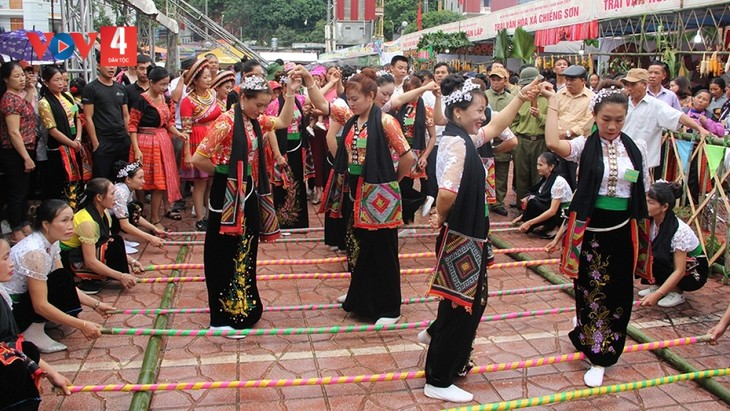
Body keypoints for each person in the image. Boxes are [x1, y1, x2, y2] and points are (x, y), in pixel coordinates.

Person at [422, 75, 539, 402]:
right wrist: (441, 214)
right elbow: (447, 190)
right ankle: (438, 379)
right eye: (477, 110)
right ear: (458, 112)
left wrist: (519, 96)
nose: (483, 116)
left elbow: (498, 122)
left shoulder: (462, 136)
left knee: (465, 304)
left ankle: (446, 355)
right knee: (462, 308)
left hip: (467, 236)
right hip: (461, 237)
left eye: (484, 110)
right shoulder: (458, 143)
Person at [542, 82, 652, 388]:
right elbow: (552, 142)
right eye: (606, 119)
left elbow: (641, 189)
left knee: (619, 293)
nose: (613, 126)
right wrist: (552, 102)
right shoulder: (582, 146)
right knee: (590, 291)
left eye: (619, 119)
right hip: (591, 231)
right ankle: (596, 352)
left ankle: (605, 350)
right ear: (595, 115)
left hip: (622, 231)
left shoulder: (636, 147)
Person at [299, 66, 416, 325]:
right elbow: (320, 102)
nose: (351, 103)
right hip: (355, 192)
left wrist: (393, 181)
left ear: (371, 96)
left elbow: (407, 156)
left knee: (383, 251)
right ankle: (360, 295)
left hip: (379, 196)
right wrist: (309, 81)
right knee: (358, 248)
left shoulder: (386, 121)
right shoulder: (351, 118)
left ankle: (388, 308)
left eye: (356, 99)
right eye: (349, 99)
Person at [191, 75, 297, 336]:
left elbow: (283, 121)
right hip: (227, 194)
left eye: (265, 106)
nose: (262, 111)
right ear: (244, 99)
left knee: (245, 249)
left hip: (247, 189)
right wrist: (225, 172)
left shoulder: (253, 121)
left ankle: (244, 306)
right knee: (223, 252)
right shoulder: (226, 122)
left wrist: (291, 93)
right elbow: (198, 158)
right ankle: (223, 314)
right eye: (259, 105)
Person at [5, 199, 113, 353]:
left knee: (62, 277)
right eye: (64, 221)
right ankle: (32, 331)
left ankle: (42, 322)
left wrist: (97, 305)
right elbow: (40, 305)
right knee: (59, 279)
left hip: (25, 300)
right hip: (11, 312)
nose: (71, 226)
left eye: (71, 219)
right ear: (46, 224)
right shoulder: (35, 253)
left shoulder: (52, 242)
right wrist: (82, 325)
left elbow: (63, 283)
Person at [0, 238, 73, 409]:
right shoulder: (34, 252)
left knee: (24, 352)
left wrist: (52, 373)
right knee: (14, 366)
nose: (11, 264)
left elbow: (11, 342)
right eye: (5, 258)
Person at [129, 66, 186, 231]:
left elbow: (169, 123)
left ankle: (155, 218)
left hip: (163, 142)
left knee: (159, 183)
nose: (164, 88)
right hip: (145, 143)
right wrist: (136, 149)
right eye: (162, 84)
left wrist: (179, 134)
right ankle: (140, 213)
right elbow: (132, 126)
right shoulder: (141, 100)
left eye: (167, 84)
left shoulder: (166, 99)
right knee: (141, 181)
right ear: (151, 82)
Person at [60, 178, 141, 294]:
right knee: (112, 245)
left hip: (81, 253)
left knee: (115, 241)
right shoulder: (87, 222)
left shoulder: (105, 213)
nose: (116, 197)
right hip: (68, 258)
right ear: (99, 197)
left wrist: (133, 262)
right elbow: (90, 261)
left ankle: (99, 276)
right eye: (112, 194)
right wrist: (120, 276)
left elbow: (106, 239)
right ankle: (85, 279)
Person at [639, 181, 707, 308]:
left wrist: (658, 295)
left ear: (664, 207)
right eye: (646, 200)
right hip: (670, 262)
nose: (645, 205)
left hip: (693, 269)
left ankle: (676, 292)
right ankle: (659, 284)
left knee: (663, 255)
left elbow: (680, 270)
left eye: (650, 202)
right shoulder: (652, 222)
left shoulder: (679, 231)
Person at [180, 59, 221, 231]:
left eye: (209, 76)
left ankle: (211, 214)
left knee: (212, 181)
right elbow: (186, 130)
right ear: (195, 80)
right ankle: (199, 217)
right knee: (200, 183)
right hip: (197, 141)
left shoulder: (213, 95)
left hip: (214, 138)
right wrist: (187, 154)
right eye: (204, 77)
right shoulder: (188, 101)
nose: (208, 79)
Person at [266, 72, 310, 230]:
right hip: (282, 148)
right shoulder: (274, 105)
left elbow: (319, 98)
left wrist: (332, 82)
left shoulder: (297, 100)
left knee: (297, 181)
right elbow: (270, 130)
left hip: (297, 146)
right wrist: (277, 154)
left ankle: (299, 222)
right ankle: (283, 222)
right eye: (293, 82)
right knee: (283, 183)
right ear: (284, 85)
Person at [37, 66, 85, 210]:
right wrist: (71, 143)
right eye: (56, 80)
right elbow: (52, 130)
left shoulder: (69, 96)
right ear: (46, 83)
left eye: (63, 80)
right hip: (58, 149)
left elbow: (78, 118)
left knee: (77, 180)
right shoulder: (44, 103)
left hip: (75, 143)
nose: (61, 83)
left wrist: (78, 138)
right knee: (60, 181)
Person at [0, 61, 36, 244]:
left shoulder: (19, 97)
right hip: (14, 151)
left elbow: (27, 110)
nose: (22, 78)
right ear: (6, 79)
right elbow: (14, 132)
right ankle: (16, 228)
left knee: (23, 190)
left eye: (22, 75)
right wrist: (26, 157)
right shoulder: (8, 99)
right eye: (17, 76)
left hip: (26, 148)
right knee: (16, 192)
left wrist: (30, 88)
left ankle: (23, 222)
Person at [394, 75, 436, 233]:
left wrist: (425, 156)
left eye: (412, 90)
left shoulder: (426, 110)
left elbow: (432, 136)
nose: (409, 94)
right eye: (406, 90)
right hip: (399, 150)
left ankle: (421, 202)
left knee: (403, 185)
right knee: (401, 185)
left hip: (416, 151)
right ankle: (409, 222)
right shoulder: (399, 105)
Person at [82, 63, 130, 180]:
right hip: (103, 141)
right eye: (108, 64)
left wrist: (128, 136)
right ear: (98, 65)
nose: (112, 68)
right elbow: (88, 117)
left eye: (114, 65)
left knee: (122, 178)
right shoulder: (91, 88)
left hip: (121, 140)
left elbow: (125, 115)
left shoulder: (121, 88)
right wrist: (95, 143)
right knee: (102, 180)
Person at [512, 152, 571, 239]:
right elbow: (541, 198)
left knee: (533, 202)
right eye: (537, 164)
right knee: (531, 200)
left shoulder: (559, 182)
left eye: (541, 165)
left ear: (551, 167)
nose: (537, 168)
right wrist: (522, 217)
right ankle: (547, 225)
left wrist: (529, 223)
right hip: (554, 209)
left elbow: (552, 211)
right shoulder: (544, 179)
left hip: (562, 213)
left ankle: (555, 227)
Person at [511, 66, 548, 202]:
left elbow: (552, 121)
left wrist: (539, 116)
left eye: (532, 83)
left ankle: (537, 206)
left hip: (540, 141)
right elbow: (513, 120)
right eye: (526, 84)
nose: (530, 87)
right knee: (521, 176)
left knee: (539, 176)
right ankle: (522, 207)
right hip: (522, 141)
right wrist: (516, 135)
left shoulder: (547, 98)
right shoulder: (520, 99)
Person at [554, 65, 595, 189]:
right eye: (566, 79)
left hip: (578, 145)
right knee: (559, 178)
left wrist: (568, 133)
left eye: (572, 80)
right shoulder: (560, 94)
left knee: (575, 178)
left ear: (583, 81)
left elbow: (588, 121)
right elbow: (553, 114)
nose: (568, 83)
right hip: (558, 143)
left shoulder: (592, 98)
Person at [110, 161, 165, 248]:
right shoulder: (121, 193)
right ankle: (115, 242)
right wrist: (150, 238)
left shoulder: (126, 188)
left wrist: (154, 229)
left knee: (134, 207)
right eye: (140, 178)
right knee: (133, 208)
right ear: (128, 179)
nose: (143, 181)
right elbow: (124, 224)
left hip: (111, 218)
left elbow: (135, 214)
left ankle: (120, 239)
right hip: (102, 222)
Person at [485, 66, 515, 216]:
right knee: (485, 171)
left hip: (504, 138)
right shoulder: (484, 96)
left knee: (502, 172)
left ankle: (498, 202)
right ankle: (485, 198)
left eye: (498, 80)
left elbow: (515, 119)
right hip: (486, 139)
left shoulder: (511, 99)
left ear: (505, 81)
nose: (495, 82)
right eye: (493, 79)